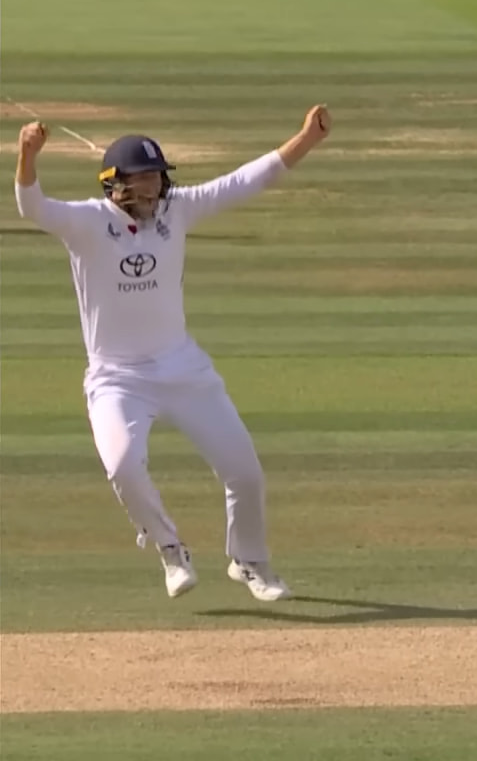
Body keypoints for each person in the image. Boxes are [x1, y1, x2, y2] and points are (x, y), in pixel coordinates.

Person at [14, 106, 334, 602]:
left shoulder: (177, 210)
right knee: (122, 465)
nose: (153, 190)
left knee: (245, 471)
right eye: (142, 181)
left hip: (183, 368)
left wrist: (305, 139)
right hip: (116, 379)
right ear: (113, 184)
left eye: (157, 180)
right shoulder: (86, 223)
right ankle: (170, 547)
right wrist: (27, 155)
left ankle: (250, 560)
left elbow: (246, 180)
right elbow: (31, 207)